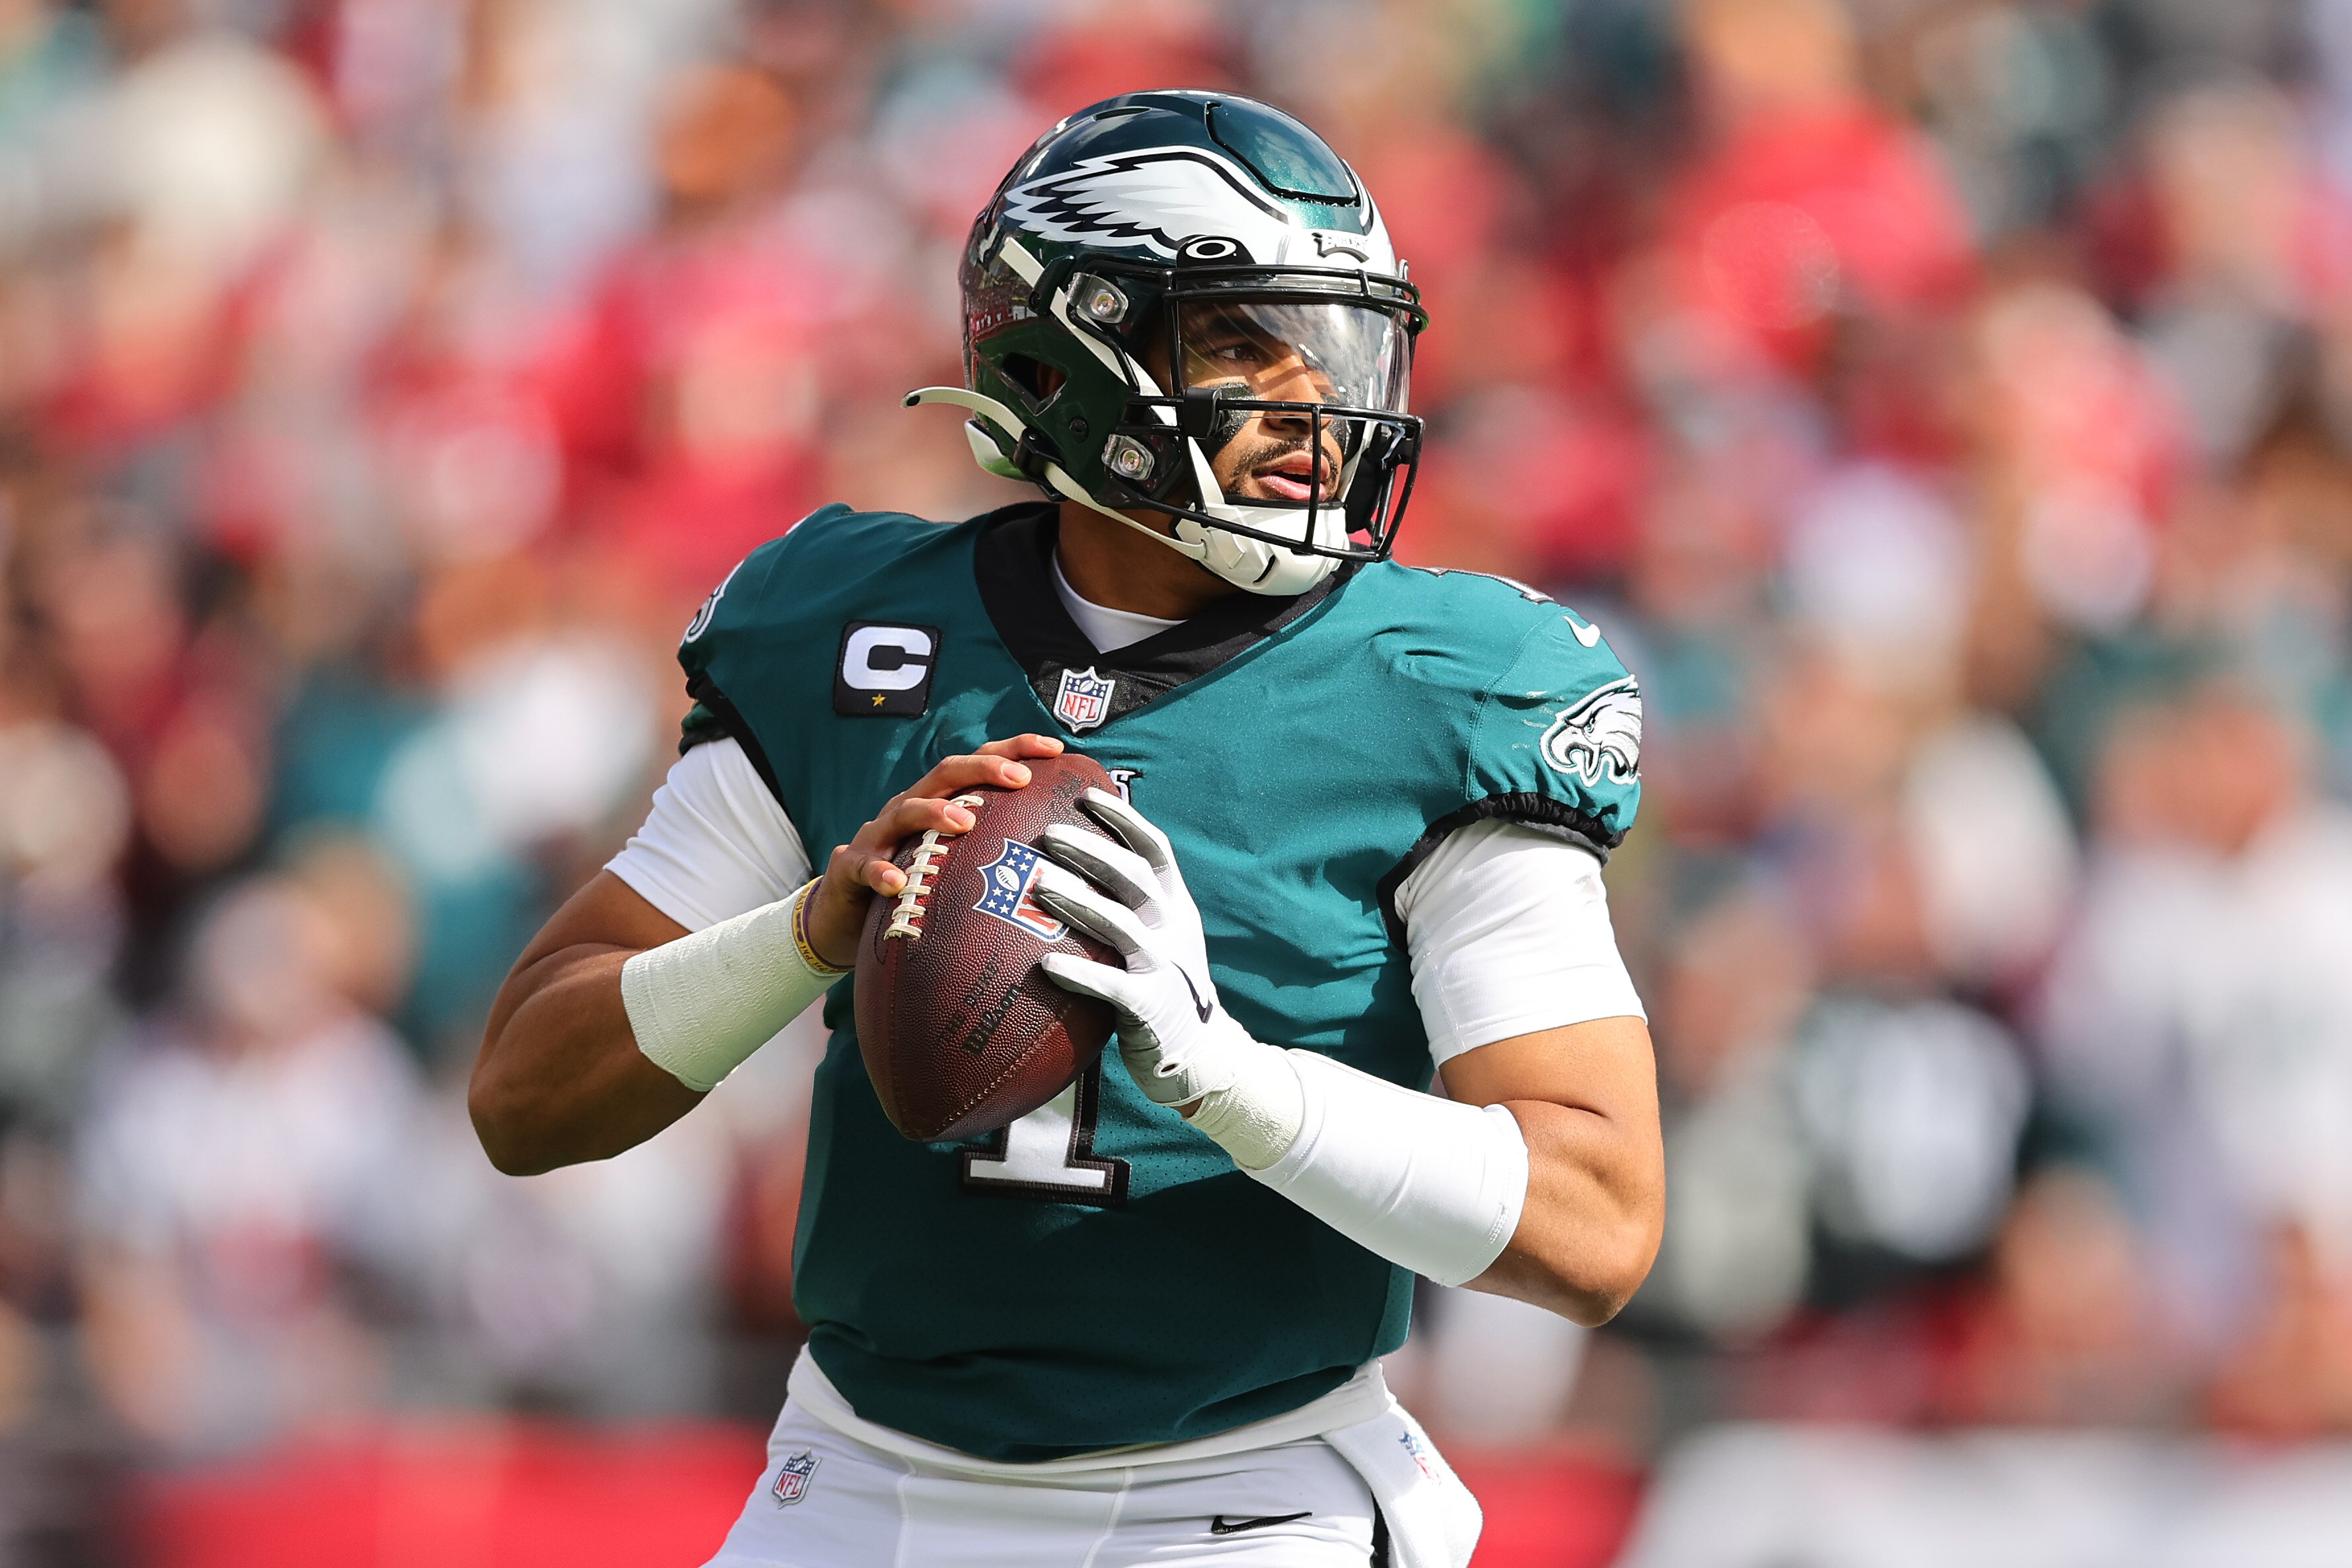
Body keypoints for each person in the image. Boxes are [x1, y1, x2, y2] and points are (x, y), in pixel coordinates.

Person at [468, 90, 1664, 1567]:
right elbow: (526, 1092)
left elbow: (1598, 1217)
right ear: (1063, 355)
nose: (1313, 400)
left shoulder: (1438, 684)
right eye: (1241, 339)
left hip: (1245, 1497)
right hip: (855, 1479)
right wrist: (802, 938)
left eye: (1337, 343)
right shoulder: (857, 633)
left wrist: (1234, 1080)